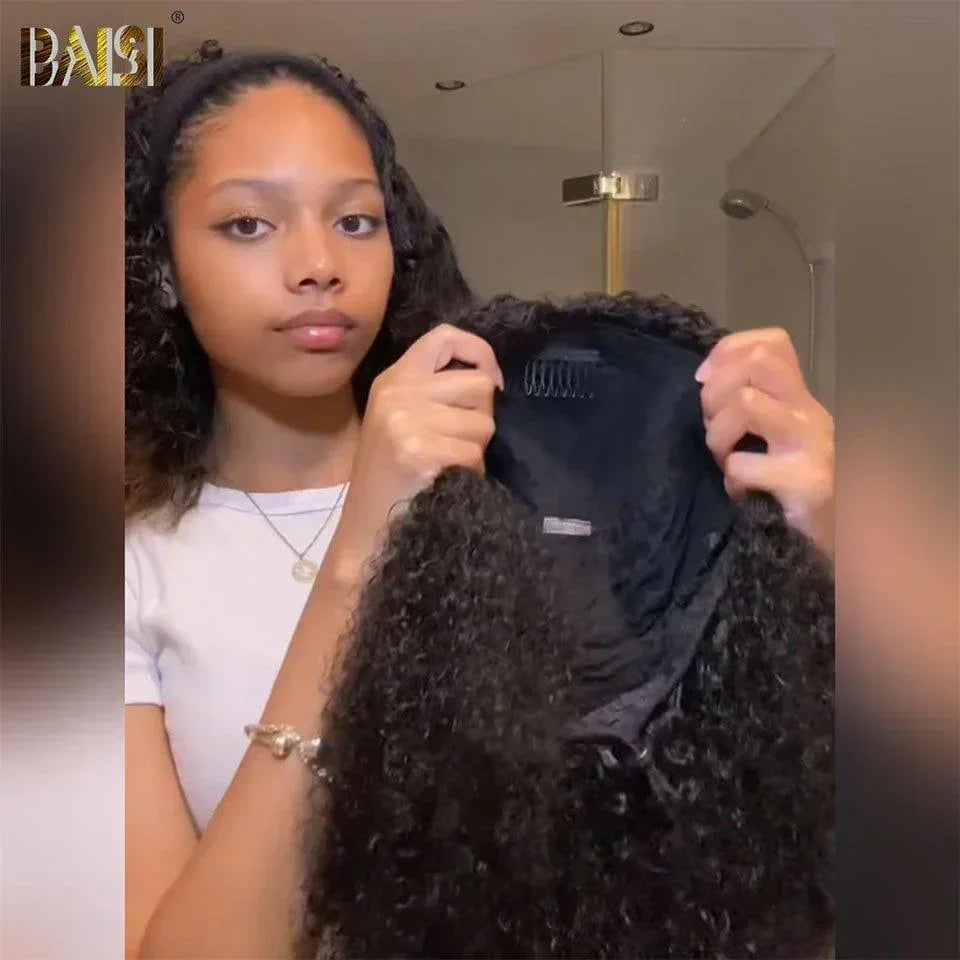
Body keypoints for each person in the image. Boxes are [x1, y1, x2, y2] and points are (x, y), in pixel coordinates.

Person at [124, 41, 835, 960]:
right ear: (160, 265)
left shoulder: (530, 488)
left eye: (357, 220)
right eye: (249, 224)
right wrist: (359, 555)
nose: (319, 263)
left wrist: (827, 545)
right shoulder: (128, 576)